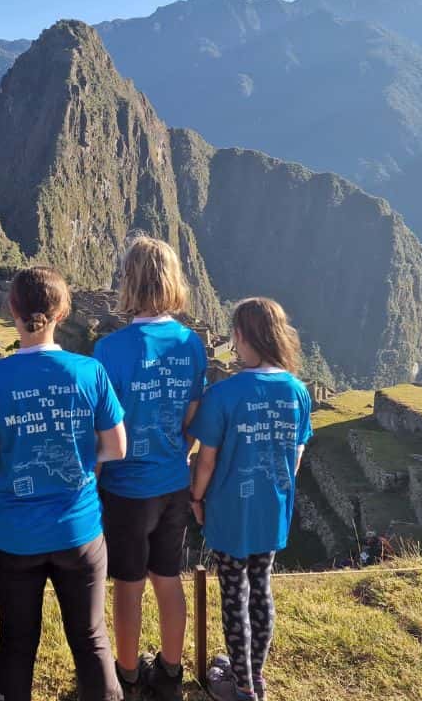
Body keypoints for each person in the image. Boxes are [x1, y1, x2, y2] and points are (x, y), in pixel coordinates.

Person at [0, 266, 128, 701]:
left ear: (12, 309)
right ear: (63, 311)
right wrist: (82, 467)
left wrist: (13, 470)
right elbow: (117, 447)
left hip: (16, 535)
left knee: (17, 642)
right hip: (79, 530)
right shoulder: (89, 372)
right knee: (90, 637)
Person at [94, 238, 207, 700]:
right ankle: (172, 673)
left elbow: (104, 429)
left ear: (130, 282)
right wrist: (175, 450)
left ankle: (127, 674)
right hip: (173, 482)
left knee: (128, 583)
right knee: (168, 577)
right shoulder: (190, 343)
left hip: (125, 485)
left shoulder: (109, 349)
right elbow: (192, 419)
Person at [188, 297, 313, 701]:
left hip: (229, 509)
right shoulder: (297, 391)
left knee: (233, 595)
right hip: (272, 507)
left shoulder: (224, 395)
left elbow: (205, 462)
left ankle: (241, 686)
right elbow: (295, 456)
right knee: (261, 588)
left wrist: (196, 498)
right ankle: (255, 675)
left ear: (241, 336)